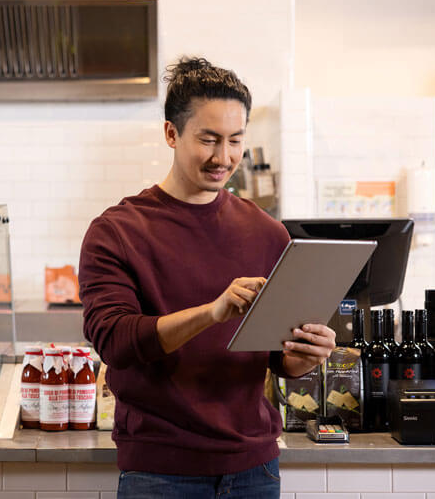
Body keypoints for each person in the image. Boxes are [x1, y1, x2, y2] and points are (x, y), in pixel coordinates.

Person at [78, 57, 336, 498]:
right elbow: (115, 342)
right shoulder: (117, 231)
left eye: (236, 140)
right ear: (171, 134)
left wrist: (309, 354)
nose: (224, 157)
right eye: (209, 140)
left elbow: (279, 359)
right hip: (159, 472)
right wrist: (212, 312)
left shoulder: (268, 233)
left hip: (255, 469)